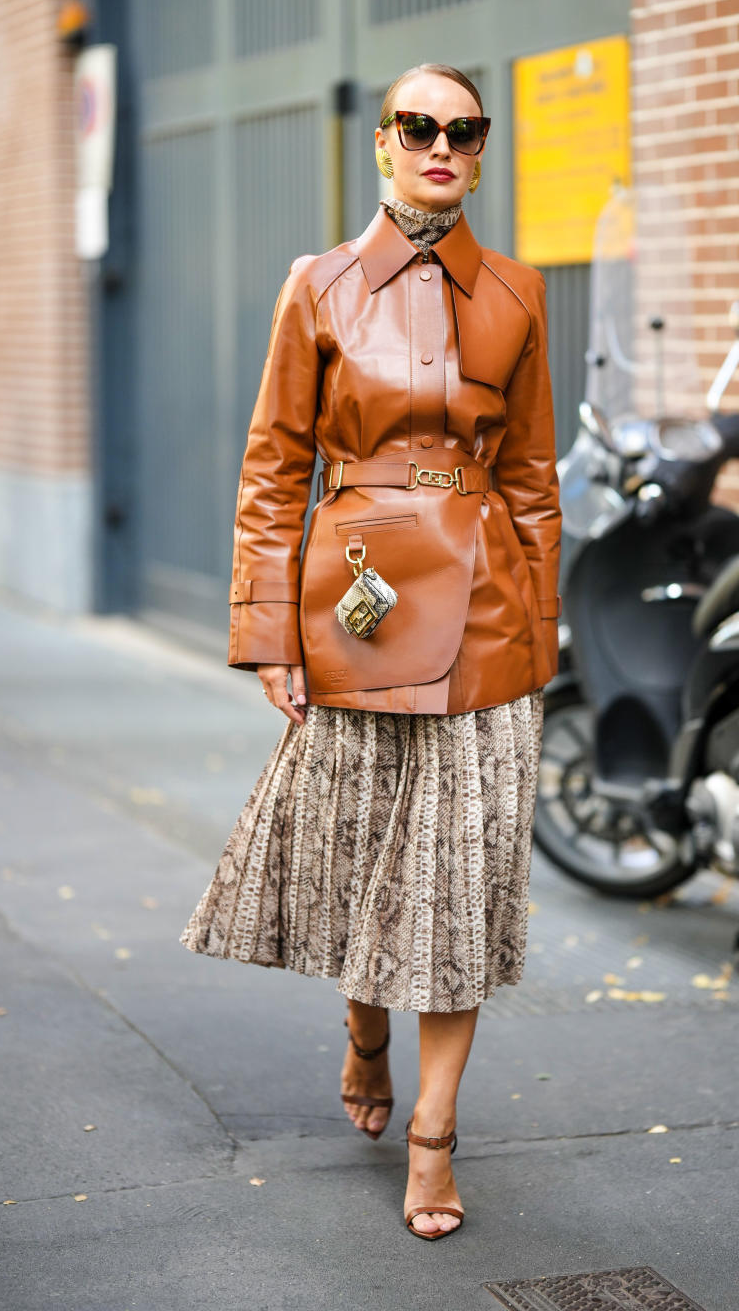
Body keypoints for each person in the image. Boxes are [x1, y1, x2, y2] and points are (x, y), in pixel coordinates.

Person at [180, 63, 561, 1241]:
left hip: (487, 625)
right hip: (363, 603)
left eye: (464, 129)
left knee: (451, 889)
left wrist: (539, 637)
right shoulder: (321, 285)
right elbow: (272, 470)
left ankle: (435, 1139)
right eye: (419, 126)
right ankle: (364, 1028)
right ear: (385, 143)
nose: (441, 143)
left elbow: (536, 486)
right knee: (365, 866)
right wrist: (269, 636)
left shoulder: (517, 291)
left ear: (481, 151)